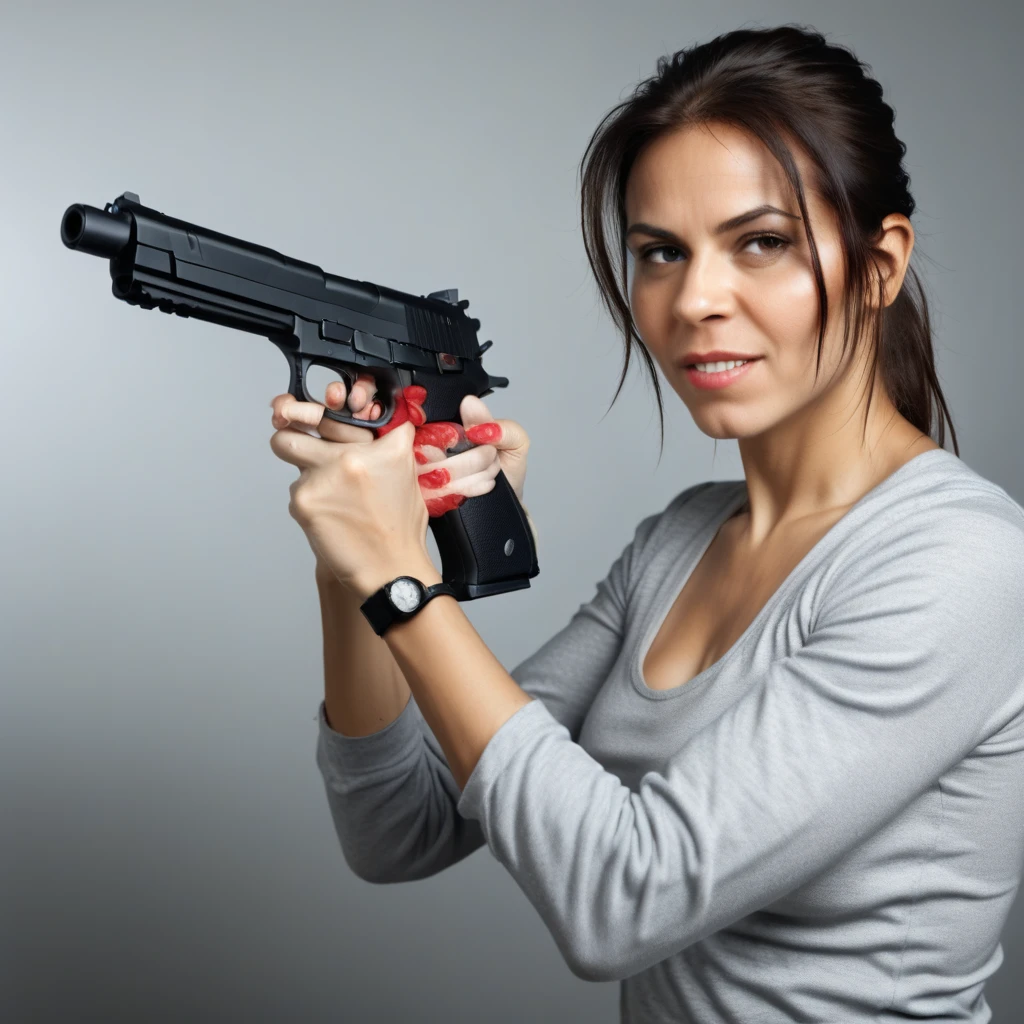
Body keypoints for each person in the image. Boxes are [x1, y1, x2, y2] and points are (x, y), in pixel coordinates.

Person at [268, 24, 1024, 1023]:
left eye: (761, 242)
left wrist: (404, 581)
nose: (694, 299)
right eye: (659, 253)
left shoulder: (960, 563)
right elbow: (397, 828)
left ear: (880, 264)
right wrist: (351, 562)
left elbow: (623, 902)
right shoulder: (681, 539)